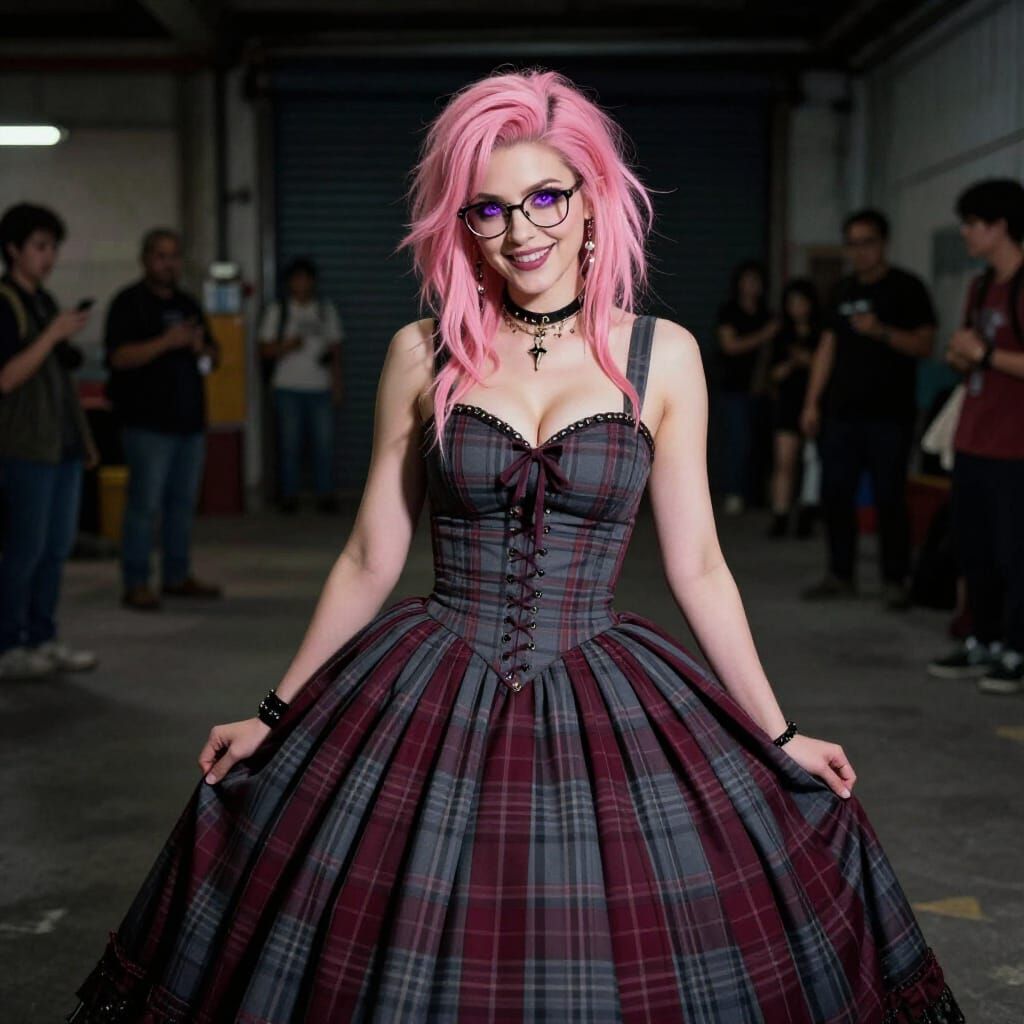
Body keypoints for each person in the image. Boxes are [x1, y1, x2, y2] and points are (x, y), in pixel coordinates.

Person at [67, 70, 961, 1023]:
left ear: (591, 204)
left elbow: (699, 563)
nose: (521, 229)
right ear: (464, 227)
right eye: (489, 210)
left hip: (598, 667)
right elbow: (373, 552)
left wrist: (780, 734)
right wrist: (274, 713)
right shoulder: (424, 353)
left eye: (545, 197)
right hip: (434, 667)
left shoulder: (665, 355)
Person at [801, 210, 937, 610]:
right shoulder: (842, 290)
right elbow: (826, 349)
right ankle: (840, 574)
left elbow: (925, 345)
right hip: (841, 414)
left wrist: (880, 331)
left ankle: (896, 579)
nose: (860, 251)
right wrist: (812, 402)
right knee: (835, 494)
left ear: (883, 243)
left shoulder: (908, 289)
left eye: (868, 242)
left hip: (890, 416)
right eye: (853, 243)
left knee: (889, 497)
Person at [928, 179, 1024, 695]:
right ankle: (982, 640)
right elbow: (965, 357)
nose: (965, 232)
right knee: (975, 550)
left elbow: (990, 355)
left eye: (972, 223)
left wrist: (983, 355)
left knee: (1015, 552)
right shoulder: (982, 286)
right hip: (973, 439)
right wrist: (962, 354)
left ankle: (1016, 648)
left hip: (1015, 447)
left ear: (1000, 225)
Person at [0, 202, 99, 680]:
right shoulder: (6, 303)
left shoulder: (42, 301)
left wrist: (82, 441)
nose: (49, 256)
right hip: (23, 449)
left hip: (59, 447)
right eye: (39, 246)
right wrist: (53, 333)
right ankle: (9, 643)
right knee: (25, 549)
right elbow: (7, 378)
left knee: (55, 549)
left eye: (53, 247)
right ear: (13, 249)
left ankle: (42, 635)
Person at [104, 228, 223, 612]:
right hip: (146, 425)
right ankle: (136, 581)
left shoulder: (189, 303)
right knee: (144, 505)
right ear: (145, 259)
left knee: (182, 505)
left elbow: (212, 358)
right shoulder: (128, 303)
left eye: (173, 256)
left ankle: (176, 575)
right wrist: (166, 342)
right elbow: (119, 358)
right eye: (160, 255)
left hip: (189, 424)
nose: (168, 263)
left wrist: (200, 347)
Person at [258, 257, 344, 514]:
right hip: (287, 388)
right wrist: (287, 346)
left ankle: (325, 495)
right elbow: (264, 350)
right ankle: (289, 497)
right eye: (296, 278)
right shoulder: (278, 310)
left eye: (306, 278)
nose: (301, 283)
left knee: (324, 446)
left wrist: (337, 385)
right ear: (289, 283)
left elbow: (336, 349)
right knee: (289, 446)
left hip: (320, 388)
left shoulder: (324, 310)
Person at [715, 261, 778, 515]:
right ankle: (734, 492)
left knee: (759, 443)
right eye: (747, 280)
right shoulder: (729, 312)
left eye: (756, 281)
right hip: (733, 388)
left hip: (761, 388)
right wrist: (765, 334)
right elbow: (730, 346)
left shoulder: (766, 313)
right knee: (737, 442)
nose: (752, 286)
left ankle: (756, 494)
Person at [767, 278, 822, 538]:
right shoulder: (782, 335)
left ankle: (808, 513)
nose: (797, 308)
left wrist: (810, 361)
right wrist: (792, 363)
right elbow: (772, 374)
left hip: (817, 403)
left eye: (801, 302)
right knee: (784, 461)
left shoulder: (822, 333)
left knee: (813, 462)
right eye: (792, 303)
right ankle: (781, 514)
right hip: (788, 402)